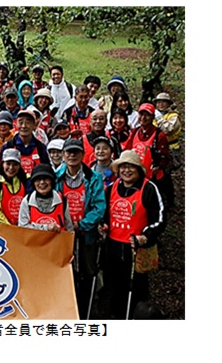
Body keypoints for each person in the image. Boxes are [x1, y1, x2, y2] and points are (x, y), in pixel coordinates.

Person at [98, 150, 165, 319]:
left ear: (138, 170)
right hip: (113, 245)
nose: (126, 171)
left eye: (131, 167)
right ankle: (113, 314)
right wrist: (103, 225)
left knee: (135, 286)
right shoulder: (112, 187)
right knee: (112, 283)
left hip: (136, 248)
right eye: (123, 167)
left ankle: (136, 316)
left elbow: (160, 218)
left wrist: (146, 235)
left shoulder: (149, 188)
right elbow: (104, 213)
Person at [54, 138, 106, 319]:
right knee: (66, 271)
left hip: (87, 233)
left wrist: (82, 224)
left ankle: (88, 309)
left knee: (88, 270)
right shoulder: (56, 177)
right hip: (63, 235)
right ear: (63, 155)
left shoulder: (93, 178)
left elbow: (99, 207)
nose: (72, 155)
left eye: (76, 152)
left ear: (83, 155)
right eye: (68, 152)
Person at [128, 103, 173, 209]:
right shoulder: (135, 132)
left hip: (153, 176)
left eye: (147, 115)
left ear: (152, 117)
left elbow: (165, 156)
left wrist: (159, 167)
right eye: (141, 114)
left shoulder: (159, 135)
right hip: (136, 174)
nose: (143, 118)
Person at [18, 163, 73, 232]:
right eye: (38, 179)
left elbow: (69, 229)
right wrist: (46, 228)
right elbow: (22, 228)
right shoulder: (27, 201)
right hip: (34, 242)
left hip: (58, 242)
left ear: (52, 181)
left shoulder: (62, 200)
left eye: (46, 179)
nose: (42, 182)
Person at [0, 108, 49, 176]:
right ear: (16, 124)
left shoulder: (41, 148)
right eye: (21, 122)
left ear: (34, 125)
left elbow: (46, 170)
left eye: (28, 122)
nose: (24, 126)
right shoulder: (8, 146)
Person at [0, 148, 29, 226]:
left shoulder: (26, 180)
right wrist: (8, 226)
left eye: (15, 164)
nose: (11, 168)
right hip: (2, 226)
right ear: (2, 164)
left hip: (23, 226)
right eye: (8, 164)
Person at [153, 92, 182, 172]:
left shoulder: (173, 116)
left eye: (163, 102)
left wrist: (159, 118)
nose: (161, 104)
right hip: (157, 148)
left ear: (168, 103)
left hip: (170, 148)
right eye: (158, 102)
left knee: (167, 171)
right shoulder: (154, 115)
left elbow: (168, 130)